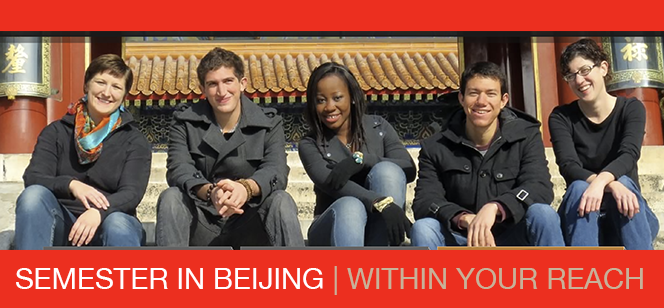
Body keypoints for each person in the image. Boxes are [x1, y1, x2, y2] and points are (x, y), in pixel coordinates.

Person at [155, 47, 304, 248]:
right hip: (203, 220)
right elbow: (178, 168)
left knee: (281, 200)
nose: (222, 92)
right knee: (171, 198)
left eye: (228, 81)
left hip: (250, 221)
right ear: (203, 89)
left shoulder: (268, 123)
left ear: (242, 83)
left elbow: (275, 170)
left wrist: (246, 188)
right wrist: (211, 192)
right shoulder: (185, 121)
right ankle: (170, 275)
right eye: (213, 84)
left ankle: (297, 275)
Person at [411, 61, 564, 249]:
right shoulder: (436, 146)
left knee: (543, 214)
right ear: (461, 98)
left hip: (512, 236)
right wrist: (464, 218)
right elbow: (425, 201)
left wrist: (496, 207)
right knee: (424, 227)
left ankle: (557, 275)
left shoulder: (526, 136)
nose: (481, 102)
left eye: (491, 94)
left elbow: (539, 187)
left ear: (503, 100)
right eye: (473, 93)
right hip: (461, 239)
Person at [15, 54, 151, 249]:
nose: (107, 92)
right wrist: (71, 185)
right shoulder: (56, 132)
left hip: (111, 220)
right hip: (64, 220)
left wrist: (99, 212)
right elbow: (34, 177)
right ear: (87, 85)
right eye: (100, 82)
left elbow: (131, 193)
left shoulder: (134, 140)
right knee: (33, 196)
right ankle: (29, 274)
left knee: (118, 224)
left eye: (116, 87)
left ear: (124, 95)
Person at [550, 38, 659, 249]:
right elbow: (568, 166)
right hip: (581, 213)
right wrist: (611, 184)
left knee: (626, 184)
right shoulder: (561, 117)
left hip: (628, 213)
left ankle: (645, 272)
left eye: (584, 70)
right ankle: (585, 275)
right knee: (580, 187)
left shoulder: (631, 109)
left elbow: (628, 154)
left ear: (603, 67)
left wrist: (601, 183)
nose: (579, 80)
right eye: (570, 76)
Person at [298, 62, 416, 246]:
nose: (329, 107)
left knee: (387, 171)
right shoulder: (310, 144)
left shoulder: (379, 128)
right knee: (351, 206)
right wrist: (382, 203)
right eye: (321, 100)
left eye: (337, 98)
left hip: (377, 228)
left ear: (352, 97)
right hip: (332, 227)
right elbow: (332, 184)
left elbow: (408, 167)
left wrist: (363, 160)